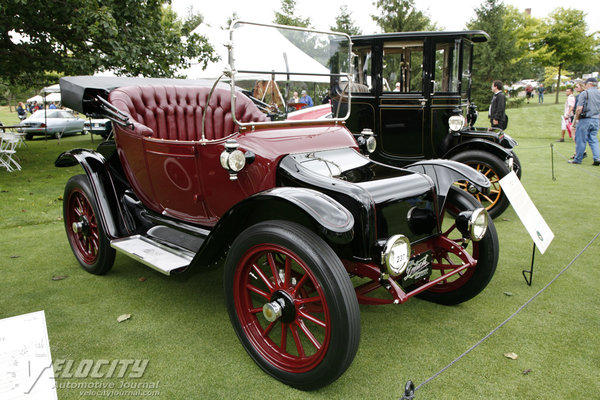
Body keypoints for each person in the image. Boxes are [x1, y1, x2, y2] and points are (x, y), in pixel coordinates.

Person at [569, 77, 600, 165]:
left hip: (585, 119)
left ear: (589, 84)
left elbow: (579, 109)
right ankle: (597, 158)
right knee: (593, 139)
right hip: (596, 119)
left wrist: (577, 119)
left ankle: (578, 159)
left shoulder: (584, 93)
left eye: (585, 84)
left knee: (581, 139)